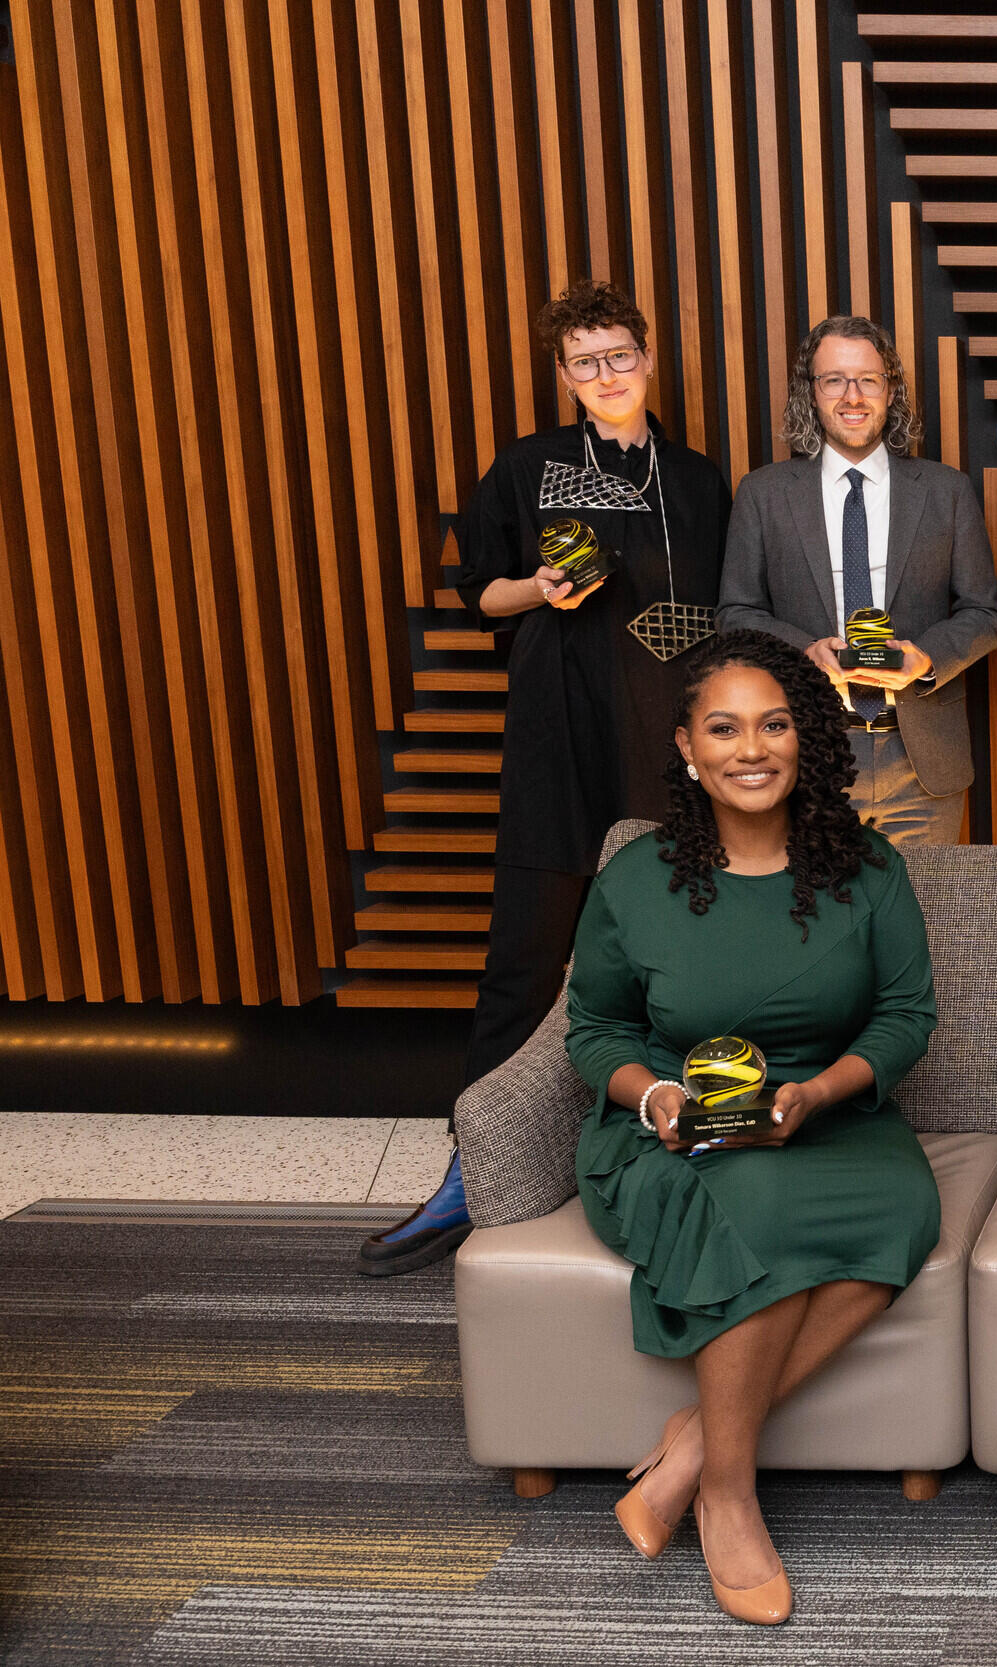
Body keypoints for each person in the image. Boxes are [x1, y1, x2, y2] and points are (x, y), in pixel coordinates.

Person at [569, 630, 941, 1626]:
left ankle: (692, 1446)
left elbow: (906, 1016)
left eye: (773, 723)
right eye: (723, 726)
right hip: (673, 1127)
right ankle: (728, 1495)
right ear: (688, 746)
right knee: (756, 1200)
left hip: (825, 1111)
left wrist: (818, 1094)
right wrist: (650, 1095)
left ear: (804, 739)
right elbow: (595, 1027)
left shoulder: (868, 867)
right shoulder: (637, 876)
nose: (750, 747)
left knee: (903, 1207)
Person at [361, 277, 730, 1278]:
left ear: (648, 359)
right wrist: (541, 587)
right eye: (585, 361)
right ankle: (470, 1173)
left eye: (620, 354)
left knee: (680, 966)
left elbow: (729, 616)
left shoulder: (698, 481)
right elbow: (479, 590)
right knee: (523, 965)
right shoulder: (525, 468)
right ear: (561, 374)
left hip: (675, 757)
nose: (605, 373)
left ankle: (683, 1158)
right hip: (556, 747)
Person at [717, 316, 997, 845]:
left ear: (890, 390)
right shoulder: (764, 493)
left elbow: (983, 614)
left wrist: (926, 660)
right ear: (812, 392)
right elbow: (736, 613)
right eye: (834, 380)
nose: (853, 396)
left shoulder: (946, 491)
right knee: (812, 922)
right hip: (807, 751)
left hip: (923, 762)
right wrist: (804, 652)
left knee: (921, 924)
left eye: (868, 380)